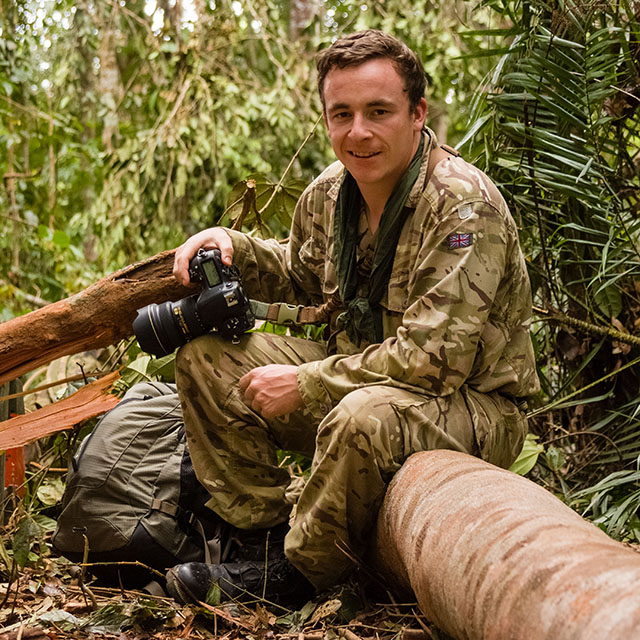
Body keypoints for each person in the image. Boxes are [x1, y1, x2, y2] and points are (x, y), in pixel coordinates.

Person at [165, 29, 540, 605]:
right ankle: (260, 538)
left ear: (417, 114)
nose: (358, 132)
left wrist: (308, 383)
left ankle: (300, 574)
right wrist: (231, 242)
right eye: (341, 113)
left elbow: (431, 361)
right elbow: (302, 274)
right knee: (207, 359)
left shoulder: (464, 206)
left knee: (359, 415)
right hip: (367, 376)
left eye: (378, 111)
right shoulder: (329, 194)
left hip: (475, 404)